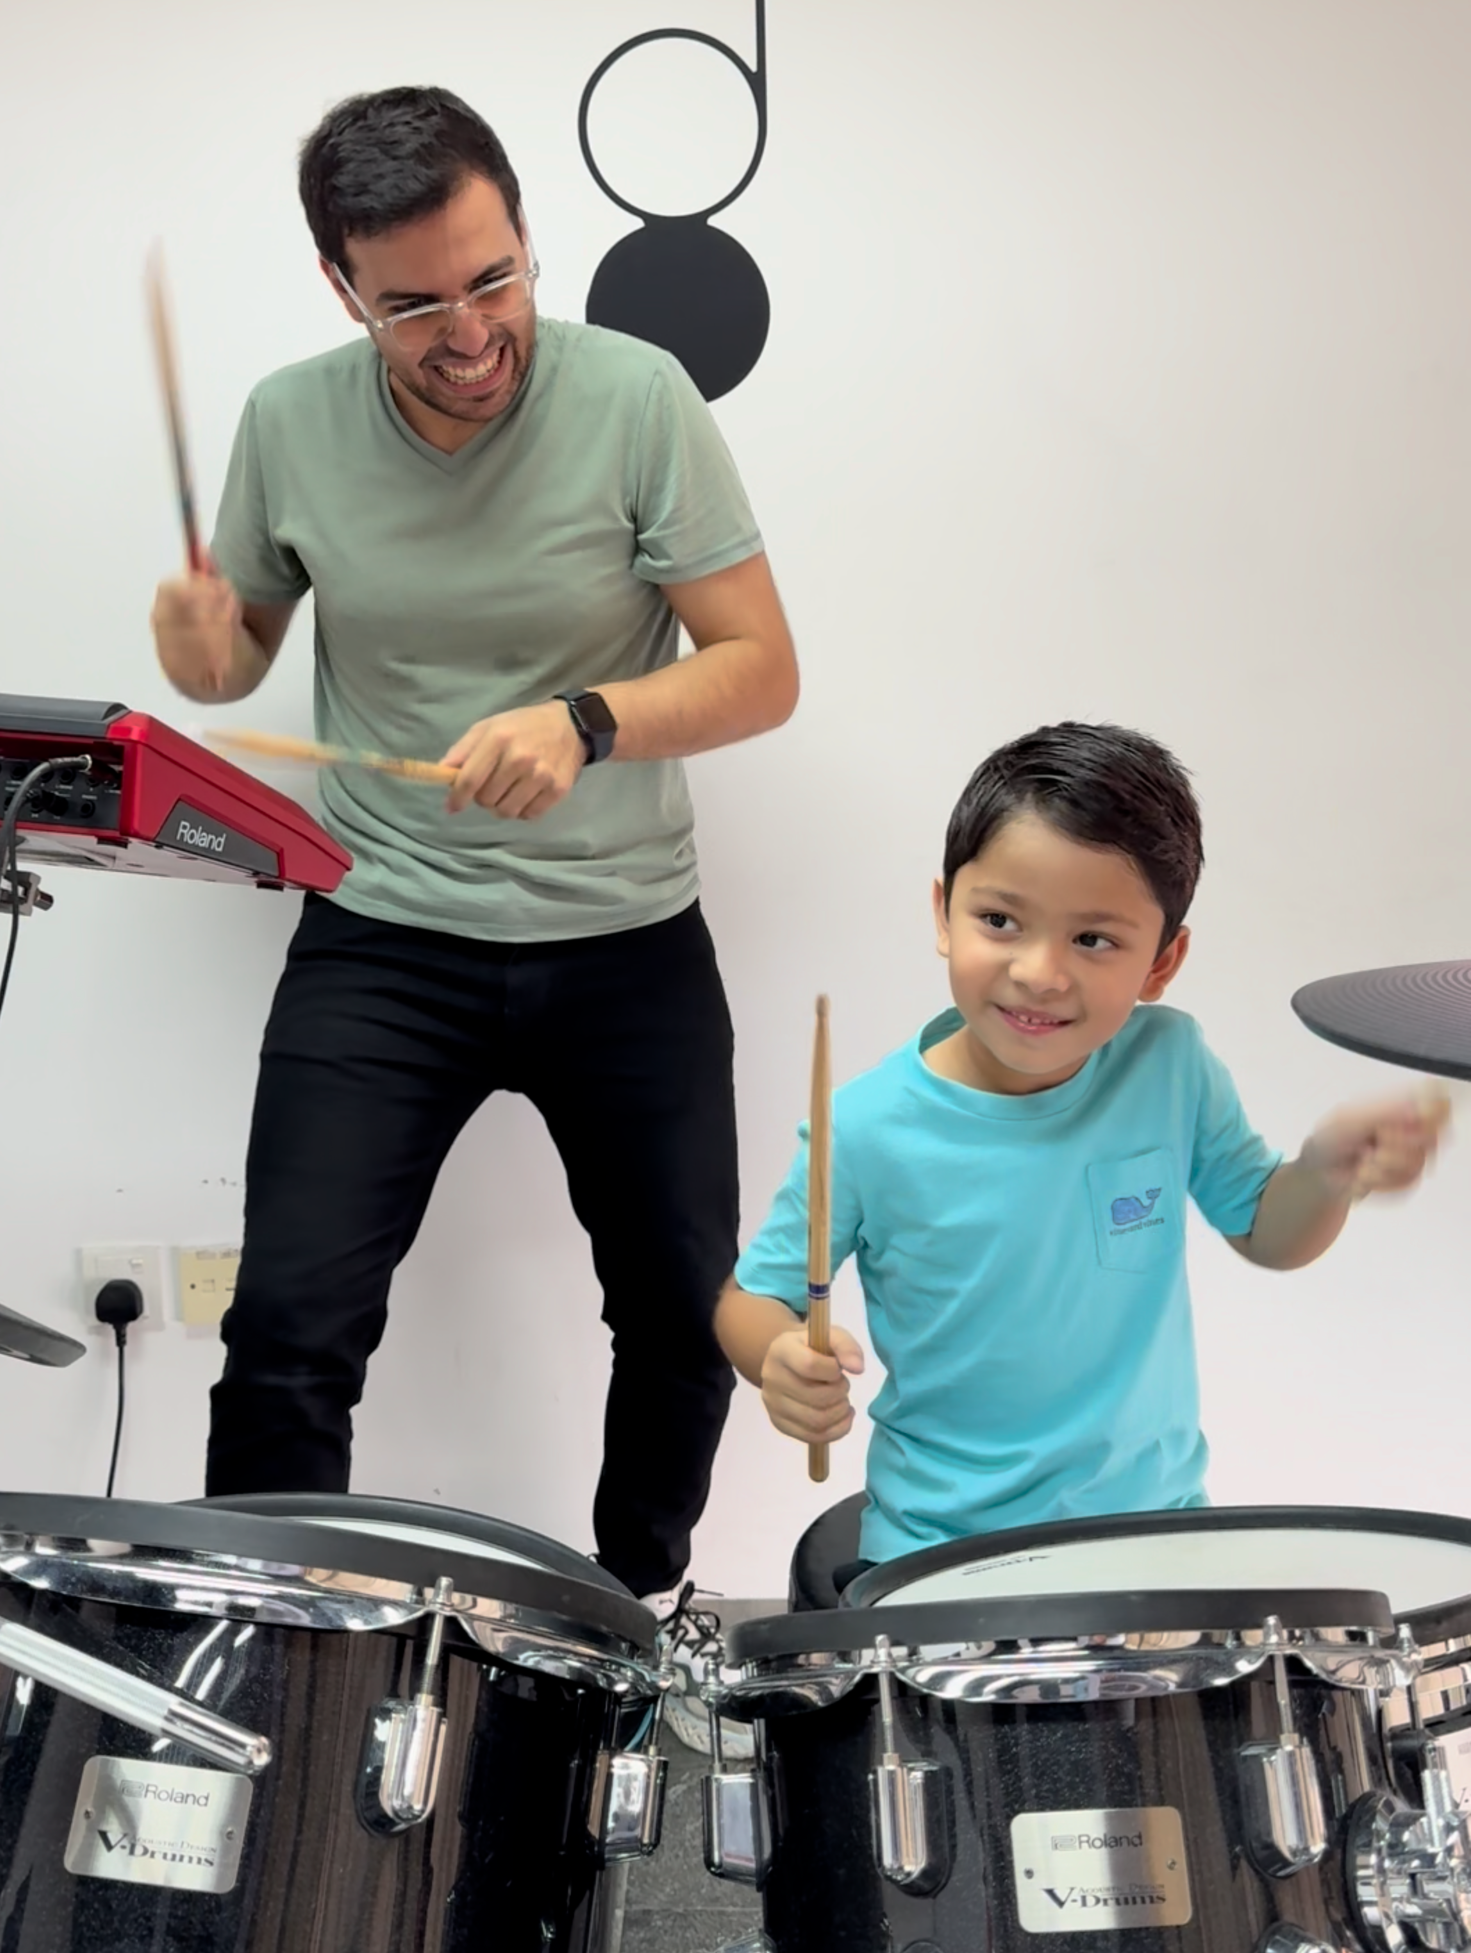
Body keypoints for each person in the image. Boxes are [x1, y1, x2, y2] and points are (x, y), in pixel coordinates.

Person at [148, 86, 798, 1658]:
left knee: (682, 1315)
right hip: (382, 938)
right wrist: (199, 643)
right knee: (290, 1327)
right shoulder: (289, 418)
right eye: (416, 302)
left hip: (626, 938)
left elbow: (760, 669)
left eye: (494, 277)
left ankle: (635, 1624)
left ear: (524, 236)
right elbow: (230, 661)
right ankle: (270, 1649)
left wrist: (588, 721)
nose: (470, 330)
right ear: (343, 288)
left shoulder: (637, 398)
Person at [716, 722, 1448, 1574]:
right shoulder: (867, 1126)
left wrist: (1327, 1173)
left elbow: (1266, 1233)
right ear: (942, 914)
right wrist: (775, 1359)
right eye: (999, 920)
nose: (1040, 973)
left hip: (1153, 1535)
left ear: (1162, 962)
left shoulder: (1169, 1063)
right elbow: (747, 1300)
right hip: (942, 1551)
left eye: (1093, 939)